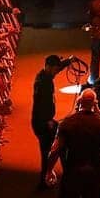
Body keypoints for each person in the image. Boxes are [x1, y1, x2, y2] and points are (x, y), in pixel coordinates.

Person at [32, 54, 74, 188]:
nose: (57, 72)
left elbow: (59, 67)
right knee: (48, 152)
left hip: (46, 121)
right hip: (43, 123)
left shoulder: (46, 75)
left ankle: (60, 176)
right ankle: (44, 181)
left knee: (59, 146)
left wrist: (68, 61)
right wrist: (47, 121)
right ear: (49, 67)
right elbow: (39, 104)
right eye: (55, 69)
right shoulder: (42, 83)